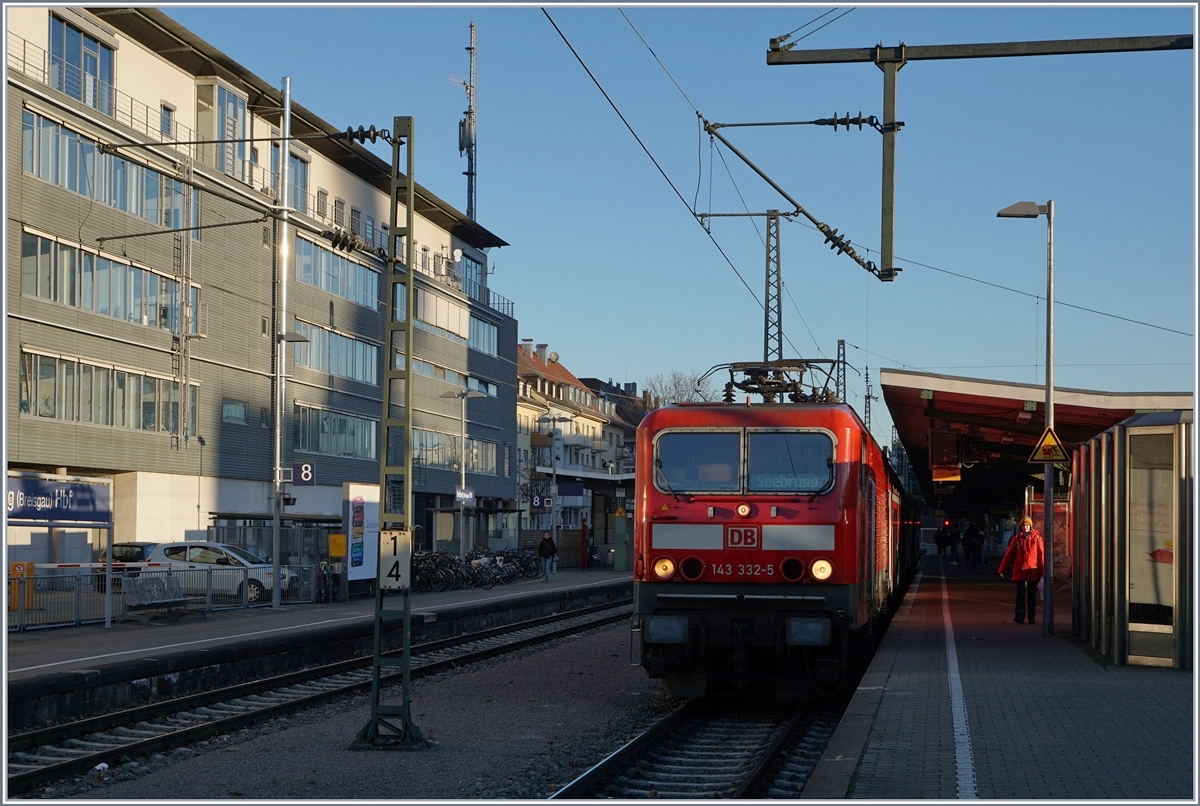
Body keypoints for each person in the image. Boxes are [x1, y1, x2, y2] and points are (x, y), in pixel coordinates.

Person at [998, 516, 1045, 624]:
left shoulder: (1037, 538)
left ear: (1031, 526)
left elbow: (1041, 556)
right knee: (1020, 595)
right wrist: (1002, 569)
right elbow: (1008, 554)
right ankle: (1019, 617)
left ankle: (1031, 618)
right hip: (1020, 571)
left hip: (1033, 571)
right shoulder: (1017, 539)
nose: (1025, 527)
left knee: (1031, 596)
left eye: (1027, 525)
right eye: (1023, 525)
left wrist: (1042, 572)